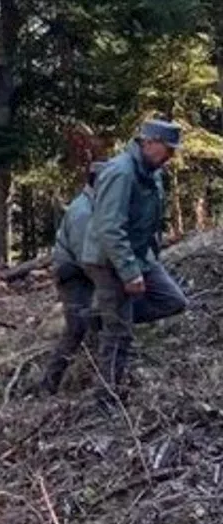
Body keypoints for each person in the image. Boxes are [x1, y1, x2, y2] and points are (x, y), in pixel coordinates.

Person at [80, 118, 190, 405]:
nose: (170, 157)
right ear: (149, 142)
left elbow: (149, 221)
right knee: (119, 333)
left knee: (173, 300)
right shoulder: (121, 173)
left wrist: (146, 261)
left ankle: (101, 318)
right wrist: (130, 273)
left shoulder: (150, 172)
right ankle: (106, 399)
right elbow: (109, 228)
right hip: (107, 259)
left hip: (138, 255)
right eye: (167, 149)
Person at [38, 161, 106, 395]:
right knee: (77, 328)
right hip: (74, 275)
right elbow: (85, 256)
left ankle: (99, 372)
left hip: (85, 271)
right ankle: (49, 385)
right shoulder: (83, 213)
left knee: (98, 319)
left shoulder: (97, 205)